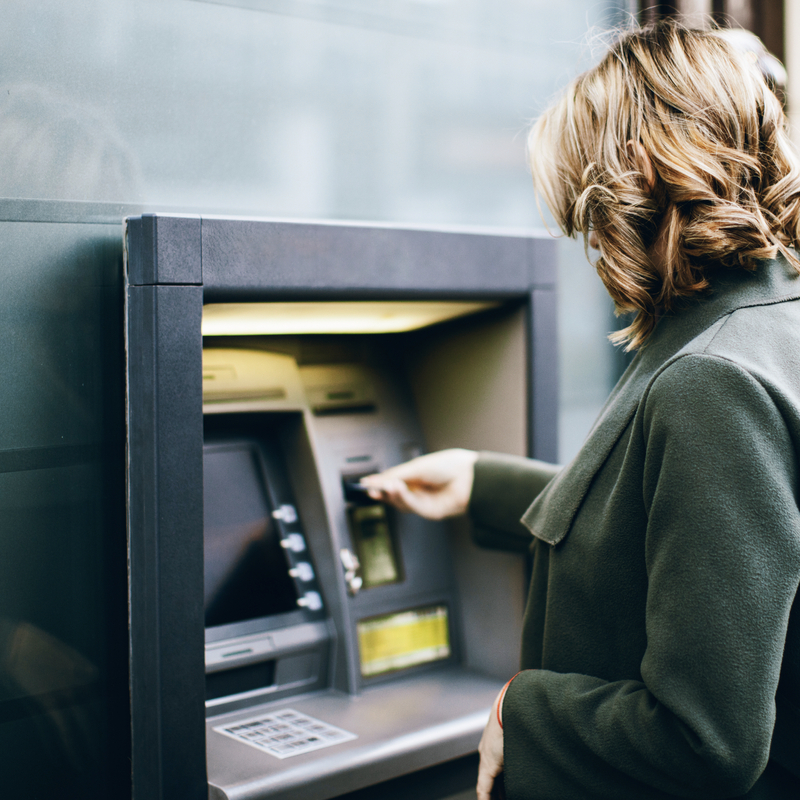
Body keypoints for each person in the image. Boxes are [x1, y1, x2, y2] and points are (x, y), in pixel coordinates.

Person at [361, 20, 800, 800]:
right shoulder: (766, 329)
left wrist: (522, 712)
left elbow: (706, 739)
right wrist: (482, 481)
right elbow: (676, 527)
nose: (589, 238)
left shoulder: (709, 381)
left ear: (638, 171)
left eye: (585, 208)